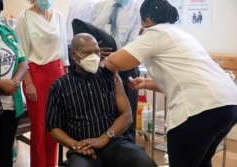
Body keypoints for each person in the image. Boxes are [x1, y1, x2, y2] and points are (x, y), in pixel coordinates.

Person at [104, 0, 237, 167]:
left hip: (201, 108)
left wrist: (105, 60)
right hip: (228, 105)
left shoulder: (155, 33)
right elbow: (181, 79)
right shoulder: (179, 34)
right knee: (201, 161)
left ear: (147, 19)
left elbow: (116, 62)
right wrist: (145, 82)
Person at [45, 33, 157, 167]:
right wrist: (76, 145)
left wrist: (104, 138)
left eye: (97, 52)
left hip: (115, 143)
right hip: (82, 148)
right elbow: (53, 127)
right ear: (74, 55)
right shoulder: (60, 86)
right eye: (87, 52)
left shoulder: (111, 77)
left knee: (144, 163)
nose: (94, 56)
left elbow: (127, 115)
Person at [14, 0, 69, 166]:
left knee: (54, 126)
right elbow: (21, 53)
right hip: (35, 74)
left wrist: (65, 80)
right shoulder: (24, 17)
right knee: (39, 127)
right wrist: (28, 83)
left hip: (57, 72)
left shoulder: (58, 16)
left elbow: (64, 52)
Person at [90, 0, 142, 142]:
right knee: (102, 112)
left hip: (126, 68)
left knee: (127, 114)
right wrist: (95, 51)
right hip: (100, 67)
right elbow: (89, 33)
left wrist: (114, 60)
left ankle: (128, 150)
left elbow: (134, 43)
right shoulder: (99, 6)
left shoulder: (138, 9)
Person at [0, 0, 28, 166]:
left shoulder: (7, 32)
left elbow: (23, 61)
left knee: (5, 154)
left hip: (11, 104)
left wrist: (14, 82)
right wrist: (0, 83)